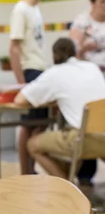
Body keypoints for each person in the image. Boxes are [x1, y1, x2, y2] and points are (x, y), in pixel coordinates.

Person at [13, 38, 105, 180]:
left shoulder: (54, 73)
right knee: (77, 144)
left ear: (54, 55)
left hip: (83, 140)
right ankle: (67, 178)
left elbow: (20, 99)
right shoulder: (92, 67)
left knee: (32, 145)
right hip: (102, 136)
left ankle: (67, 187)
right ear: (75, 53)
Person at [9, 0, 56, 175]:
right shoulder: (21, 9)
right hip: (30, 72)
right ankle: (25, 171)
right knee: (29, 124)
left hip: (40, 69)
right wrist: (22, 83)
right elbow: (14, 48)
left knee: (41, 122)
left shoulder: (36, 9)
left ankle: (31, 168)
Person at [69, 0, 105, 185]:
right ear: (93, 2)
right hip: (89, 79)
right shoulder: (82, 22)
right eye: (102, 2)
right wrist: (84, 48)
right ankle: (85, 175)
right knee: (92, 124)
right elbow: (71, 54)